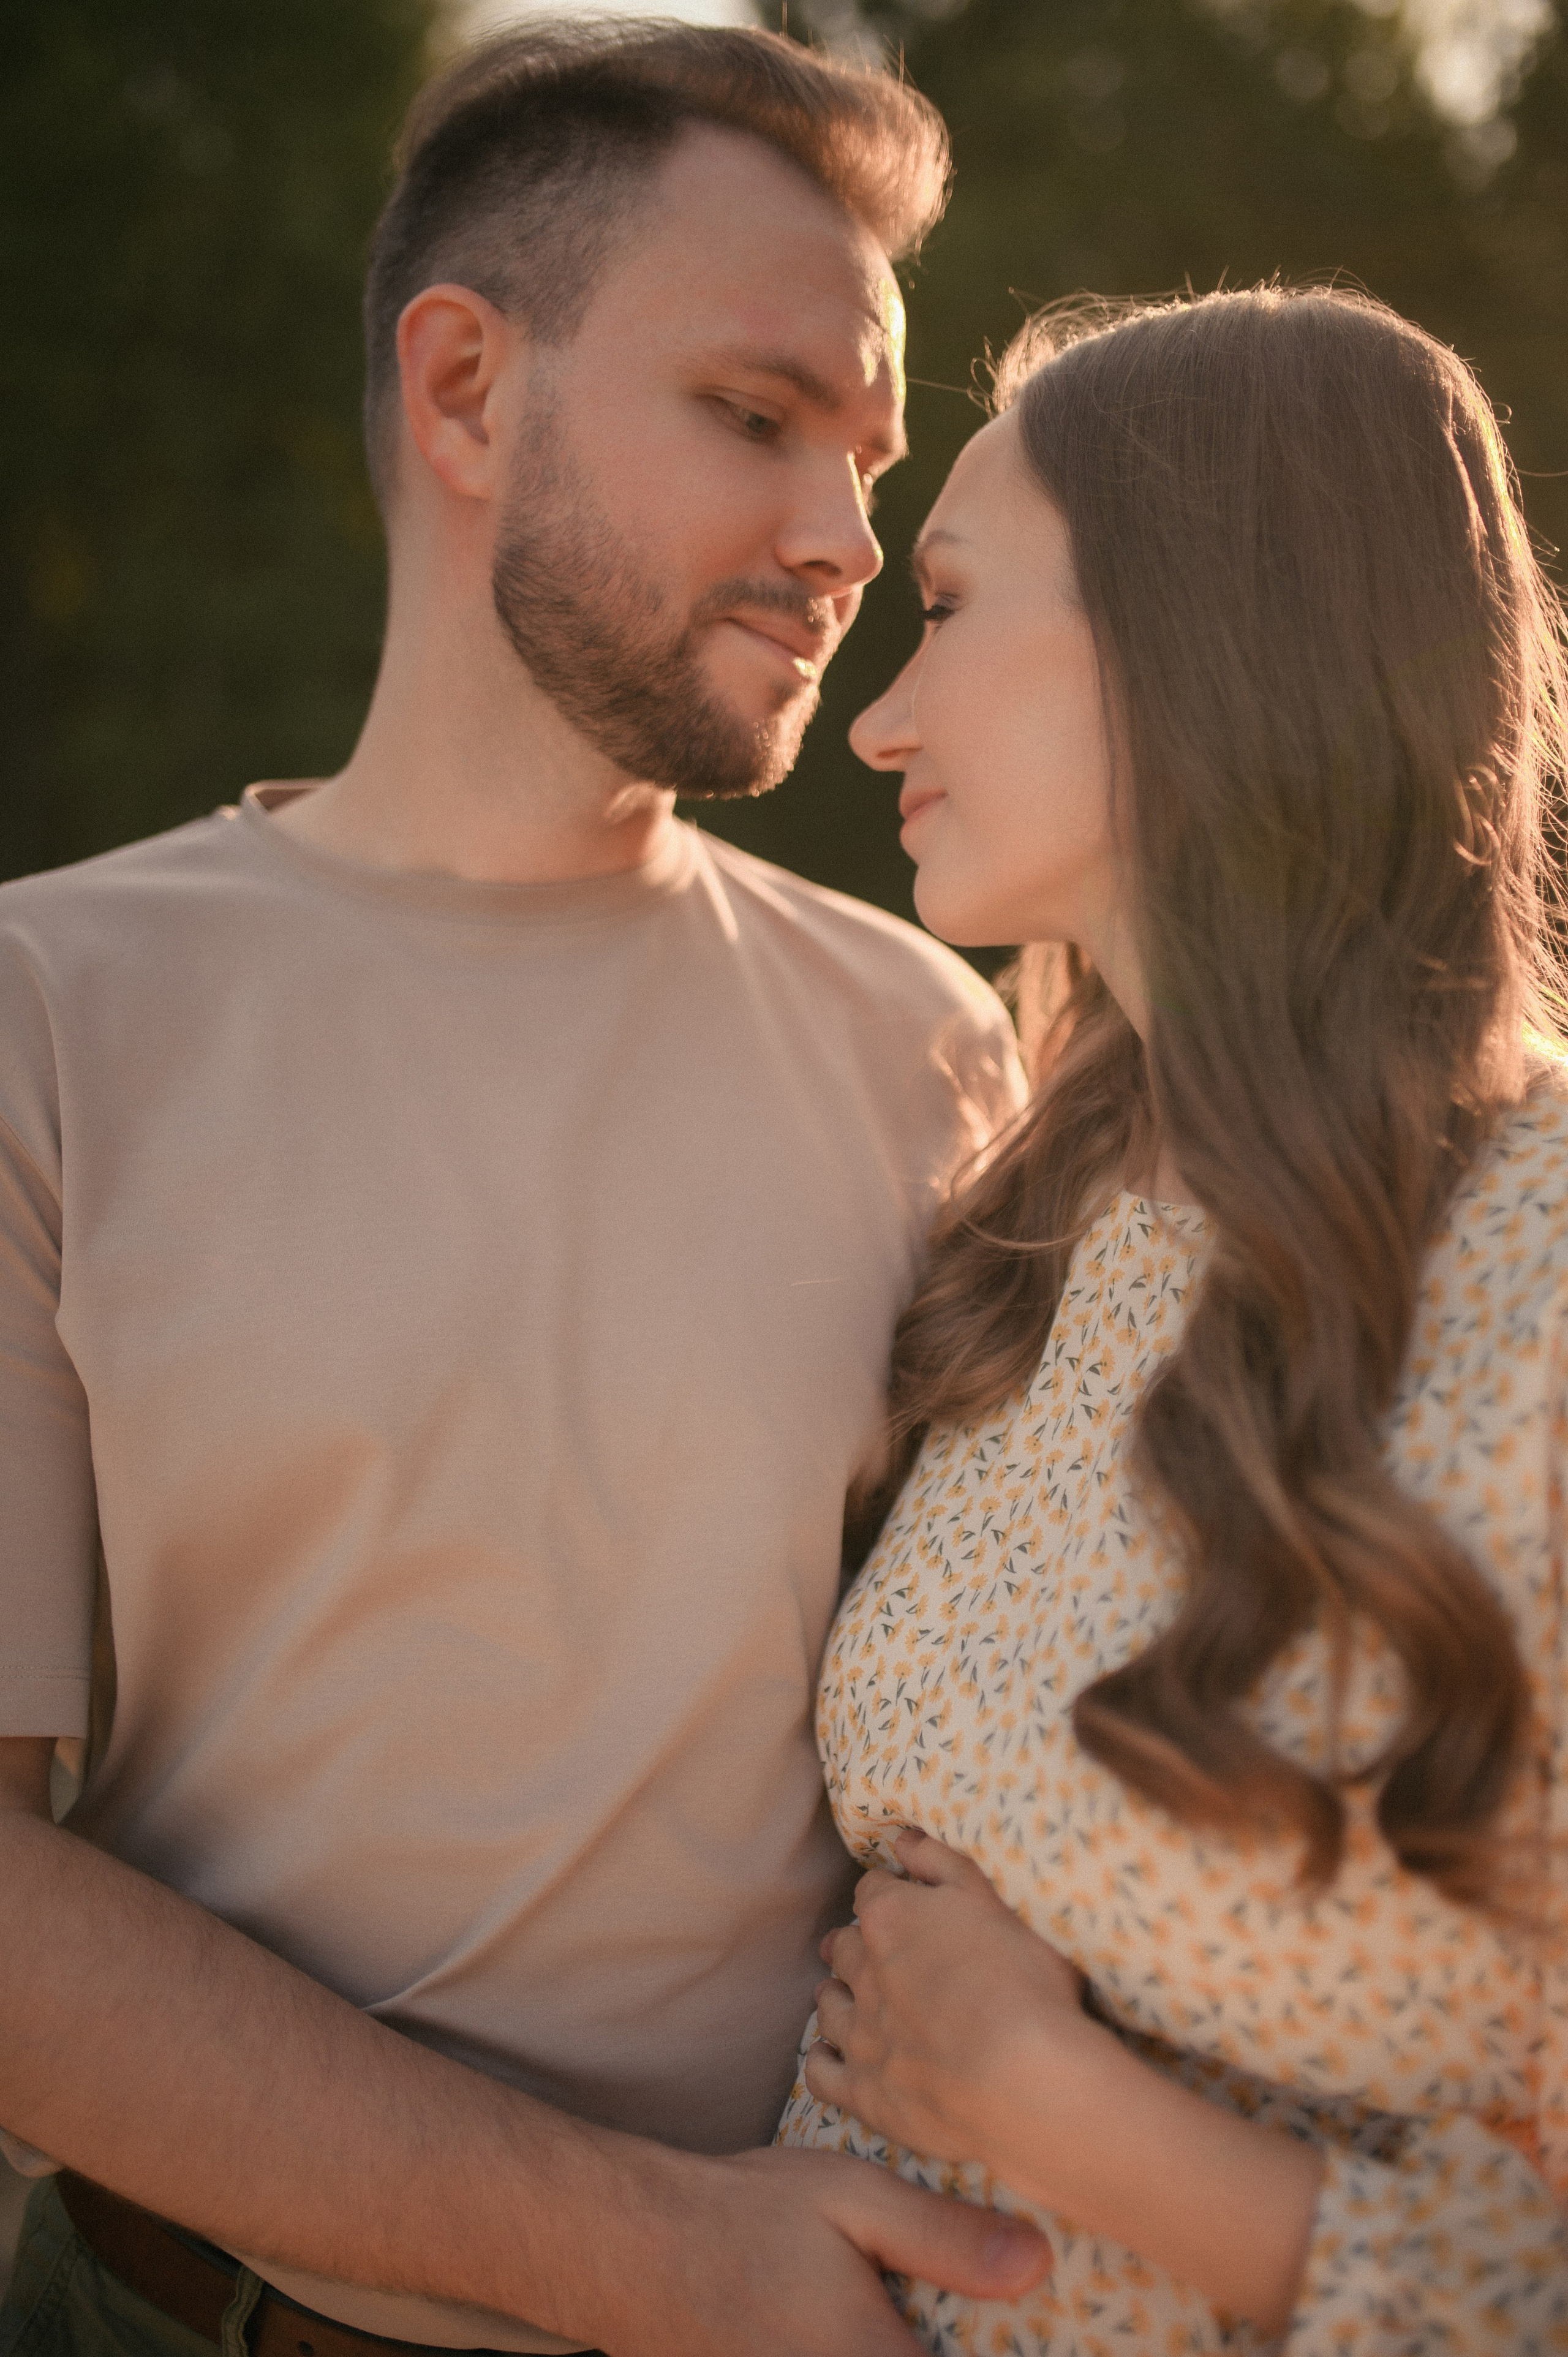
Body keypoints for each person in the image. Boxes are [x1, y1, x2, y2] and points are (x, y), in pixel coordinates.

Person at [0, 22, 1050, 2357]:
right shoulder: (42, 1015)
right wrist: (672, 2258)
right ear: (467, 392)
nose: (845, 540)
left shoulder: (937, 1051)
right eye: (758, 416)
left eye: (867, 464)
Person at [776, 284, 1568, 2353]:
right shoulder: (1036, 1214)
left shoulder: (1544, 1265)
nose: (876, 717)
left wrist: (1048, 2106)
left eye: (945, 610)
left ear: (1197, 634)